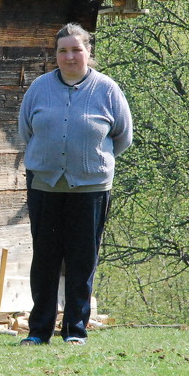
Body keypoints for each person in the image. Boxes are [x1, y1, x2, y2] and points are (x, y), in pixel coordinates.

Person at [17, 23, 132, 345]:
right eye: (63, 50)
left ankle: (75, 331)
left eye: (76, 50)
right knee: (45, 260)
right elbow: (26, 132)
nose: (70, 56)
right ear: (55, 55)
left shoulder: (107, 90)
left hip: (91, 189)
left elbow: (123, 137)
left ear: (88, 52)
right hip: (45, 186)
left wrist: (92, 162)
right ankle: (39, 331)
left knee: (82, 261)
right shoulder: (39, 88)